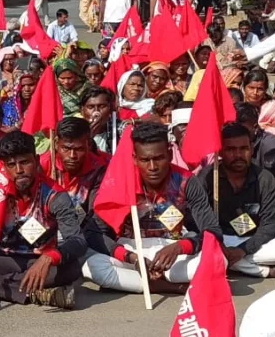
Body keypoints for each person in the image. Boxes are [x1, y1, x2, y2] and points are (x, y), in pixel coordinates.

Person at [0, 131, 85, 310]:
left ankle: (0, 287)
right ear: (4, 167)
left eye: (25, 162)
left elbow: (77, 240)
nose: (19, 170)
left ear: (36, 160)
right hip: (1, 260)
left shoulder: (55, 196)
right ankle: (35, 294)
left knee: (72, 269)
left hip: (38, 261)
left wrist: (48, 258)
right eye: (11, 165)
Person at [84, 122, 222, 294]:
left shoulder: (187, 181)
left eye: (158, 158)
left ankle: (141, 283)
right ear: (134, 158)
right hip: (132, 251)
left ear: (170, 154)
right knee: (91, 266)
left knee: (218, 260)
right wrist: (131, 258)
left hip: (174, 253)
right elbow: (93, 232)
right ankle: (168, 286)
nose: (152, 167)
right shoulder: (122, 183)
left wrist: (180, 247)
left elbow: (213, 231)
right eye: (145, 160)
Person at [199, 122, 275, 278]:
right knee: (202, 247)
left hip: (253, 242)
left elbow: (271, 224)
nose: (238, 155)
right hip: (220, 240)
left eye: (244, 149)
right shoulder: (208, 177)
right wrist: (217, 243)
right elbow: (195, 220)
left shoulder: (264, 178)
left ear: (251, 149)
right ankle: (265, 271)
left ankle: (230, 263)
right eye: (231, 150)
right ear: (220, 151)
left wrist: (243, 250)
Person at [41, 117, 108, 225]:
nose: (72, 156)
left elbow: (96, 212)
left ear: (88, 145)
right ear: (56, 144)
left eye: (79, 149)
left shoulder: (98, 168)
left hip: (83, 226)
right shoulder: (43, 165)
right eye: (66, 149)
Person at [81, 86, 115, 153]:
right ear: (82, 110)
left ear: (110, 109)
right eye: (90, 107)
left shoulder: (119, 130)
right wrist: (89, 137)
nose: (96, 112)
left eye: (102, 106)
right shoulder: (74, 132)